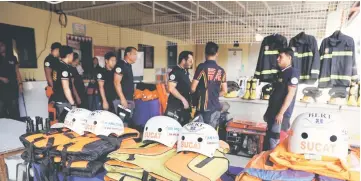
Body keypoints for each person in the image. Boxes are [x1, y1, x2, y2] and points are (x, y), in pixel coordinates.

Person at [263, 47, 300, 150]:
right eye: (277, 56)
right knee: (269, 139)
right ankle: (266, 162)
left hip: (281, 115)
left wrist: (281, 113)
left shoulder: (293, 72)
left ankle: (275, 164)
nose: (277, 59)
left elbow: (290, 94)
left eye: (280, 57)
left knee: (276, 140)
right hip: (273, 112)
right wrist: (268, 112)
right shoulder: (280, 72)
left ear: (289, 58)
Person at [191, 42, 227, 129]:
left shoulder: (202, 67)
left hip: (204, 109)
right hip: (216, 108)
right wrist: (213, 95)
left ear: (205, 53)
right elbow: (225, 91)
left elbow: (192, 88)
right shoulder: (221, 71)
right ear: (217, 54)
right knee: (211, 135)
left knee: (201, 135)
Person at [165, 51, 194, 126]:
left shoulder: (185, 71)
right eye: (190, 60)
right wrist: (183, 99)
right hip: (176, 107)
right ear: (183, 61)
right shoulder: (175, 71)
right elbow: (171, 88)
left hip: (184, 107)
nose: (192, 62)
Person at [114, 47, 137, 124]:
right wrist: (122, 99)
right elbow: (117, 82)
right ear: (128, 54)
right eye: (134, 54)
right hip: (122, 100)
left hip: (128, 99)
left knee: (126, 122)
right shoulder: (121, 65)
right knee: (121, 123)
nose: (136, 56)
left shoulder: (128, 65)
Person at [52, 45, 76, 119]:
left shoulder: (57, 65)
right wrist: (73, 104)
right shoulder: (64, 68)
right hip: (63, 102)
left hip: (58, 99)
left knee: (61, 123)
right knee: (65, 125)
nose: (73, 57)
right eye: (72, 55)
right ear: (69, 55)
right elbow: (66, 88)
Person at [0, 40, 22, 119]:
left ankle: (16, 127)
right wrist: (2, 78)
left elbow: (17, 71)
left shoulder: (12, 57)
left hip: (12, 86)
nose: (0, 47)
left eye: (2, 45)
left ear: (5, 46)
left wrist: (20, 84)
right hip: (1, 88)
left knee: (14, 107)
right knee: (1, 109)